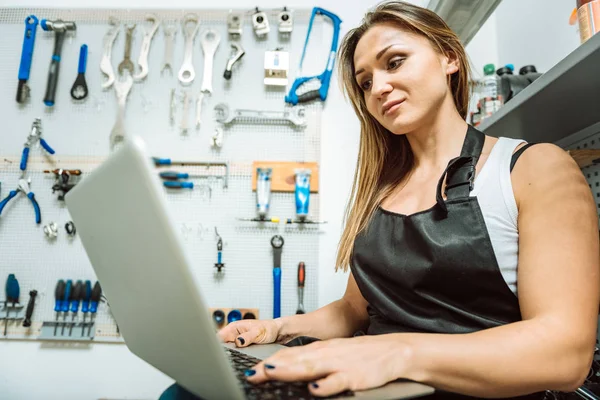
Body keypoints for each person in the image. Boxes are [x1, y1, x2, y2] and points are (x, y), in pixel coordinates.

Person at [218, 1, 600, 398]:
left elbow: (565, 355)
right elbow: (353, 311)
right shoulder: (380, 190)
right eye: (365, 83)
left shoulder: (531, 168)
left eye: (395, 62)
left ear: (448, 57)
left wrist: (397, 352)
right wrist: (277, 328)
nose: (379, 87)